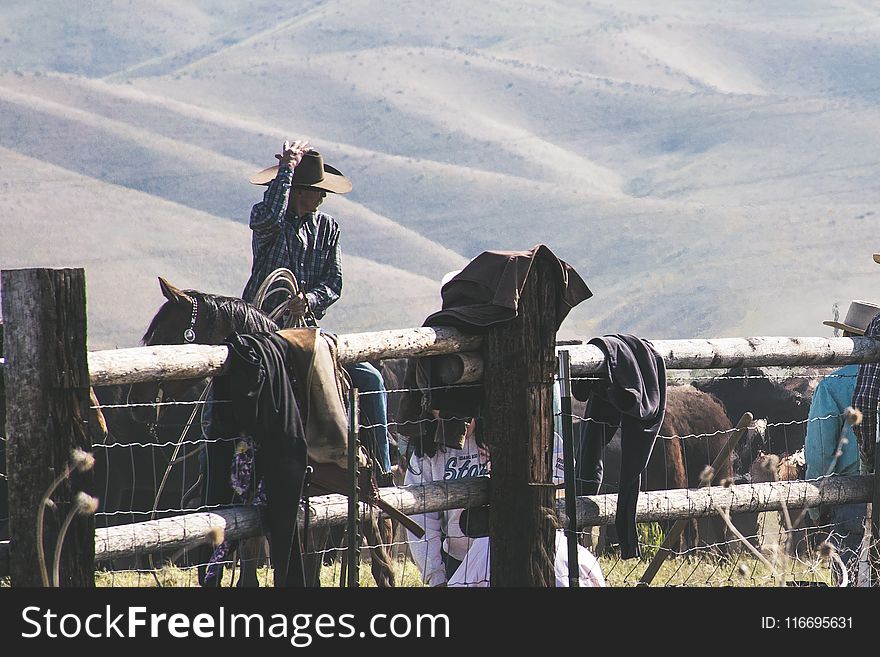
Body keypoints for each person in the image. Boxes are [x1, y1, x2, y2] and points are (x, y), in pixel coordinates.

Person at [242, 140, 392, 474]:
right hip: (263, 330)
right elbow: (268, 216)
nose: (323, 198)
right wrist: (286, 171)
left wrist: (308, 299)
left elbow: (332, 284)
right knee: (225, 396)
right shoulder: (268, 223)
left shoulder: (328, 229)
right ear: (298, 191)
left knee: (370, 380)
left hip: (308, 331)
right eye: (317, 191)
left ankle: (382, 469)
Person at [810, 300, 876, 585]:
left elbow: (819, 454)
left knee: (848, 577)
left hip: (849, 499)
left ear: (848, 339)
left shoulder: (832, 386)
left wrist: (815, 506)